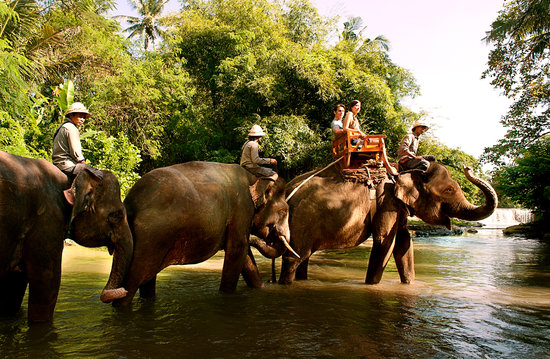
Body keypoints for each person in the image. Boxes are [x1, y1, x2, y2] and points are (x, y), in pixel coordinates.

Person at [52, 102, 90, 181]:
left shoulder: (62, 126)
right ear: (71, 115)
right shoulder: (71, 128)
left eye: (83, 117)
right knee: (93, 176)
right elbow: (76, 153)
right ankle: (73, 192)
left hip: (57, 163)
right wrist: (84, 164)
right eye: (79, 116)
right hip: (67, 164)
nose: (82, 120)